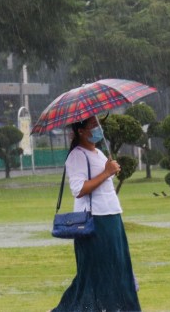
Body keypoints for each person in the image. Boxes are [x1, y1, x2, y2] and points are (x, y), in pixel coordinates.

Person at [51, 117, 141, 312]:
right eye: (93, 126)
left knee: (118, 266)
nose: (98, 129)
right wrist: (106, 173)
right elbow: (79, 189)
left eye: (98, 125)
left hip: (112, 216)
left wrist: (110, 169)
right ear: (81, 131)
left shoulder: (99, 152)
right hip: (95, 221)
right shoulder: (77, 155)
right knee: (95, 272)